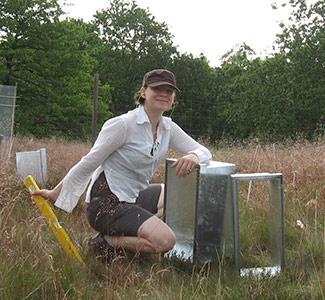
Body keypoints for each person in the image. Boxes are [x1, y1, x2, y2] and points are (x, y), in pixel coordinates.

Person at [34, 69, 212, 260]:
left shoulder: (168, 127)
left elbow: (205, 151)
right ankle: (106, 242)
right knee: (165, 241)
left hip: (132, 197)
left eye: (169, 91)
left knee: (174, 196)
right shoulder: (123, 124)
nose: (163, 94)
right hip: (106, 203)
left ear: (173, 97)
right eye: (157, 88)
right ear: (143, 92)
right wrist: (55, 193)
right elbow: (89, 162)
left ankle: (132, 237)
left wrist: (193, 156)